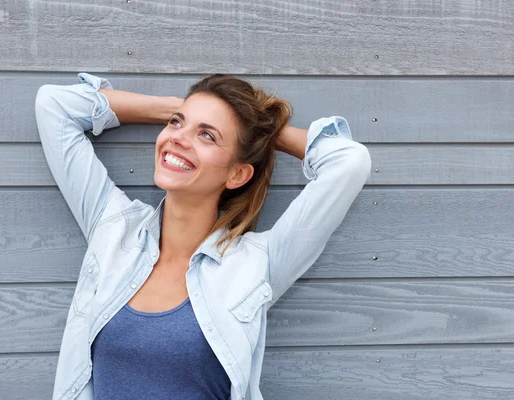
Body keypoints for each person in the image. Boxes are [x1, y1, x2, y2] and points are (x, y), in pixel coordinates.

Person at [35, 72, 371, 400]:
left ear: (238, 173)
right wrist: (176, 109)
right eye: (177, 123)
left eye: (207, 136)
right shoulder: (113, 227)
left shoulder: (257, 263)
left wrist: (263, 133)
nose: (178, 138)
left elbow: (349, 162)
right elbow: (54, 105)